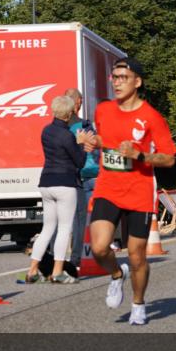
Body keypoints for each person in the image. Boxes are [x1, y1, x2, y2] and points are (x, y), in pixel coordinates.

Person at [81, 58, 176, 325]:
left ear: (138, 81)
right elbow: (105, 140)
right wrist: (92, 142)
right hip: (108, 187)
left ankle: (138, 303)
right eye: (115, 77)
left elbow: (169, 158)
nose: (117, 82)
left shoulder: (152, 117)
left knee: (136, 256)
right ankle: (115, 275)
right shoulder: (103, 110)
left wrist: (140, 154)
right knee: (99, 248)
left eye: (123, 77)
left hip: (139, 191)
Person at [25, 94, 86, 284]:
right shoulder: (68, 135)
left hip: (46, 182)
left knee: (47, 228)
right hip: (65, 183)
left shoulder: (46, 131)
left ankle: (32, 270)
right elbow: (80, 161)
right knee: (64, 228)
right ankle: (58, 271)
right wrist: (81, 143)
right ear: (69, 114)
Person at [67, 88, 100, 269]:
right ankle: (86, 254)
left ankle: (75, 254)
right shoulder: (85, 125)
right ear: (78, 102)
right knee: (87, 218)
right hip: (91, 173)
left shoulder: (59, 128)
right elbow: (95, 148)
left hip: (72, 175)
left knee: (74, 219)